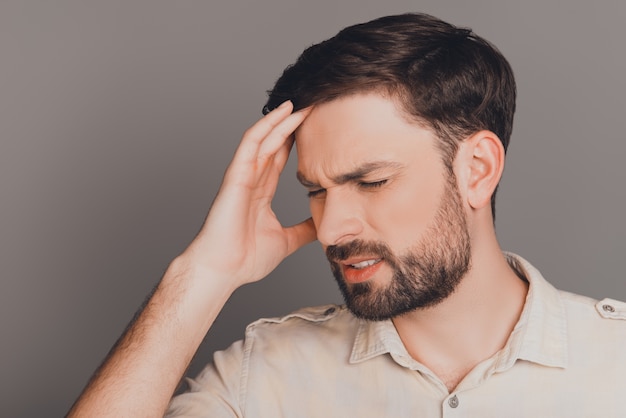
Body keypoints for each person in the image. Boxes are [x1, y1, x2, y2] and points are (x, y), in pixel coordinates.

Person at [68, 13, 626, 417]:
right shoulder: (262, 377)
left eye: (371, 181)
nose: (332, 230)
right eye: (315, 189)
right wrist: (201, 276)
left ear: (477, 169)